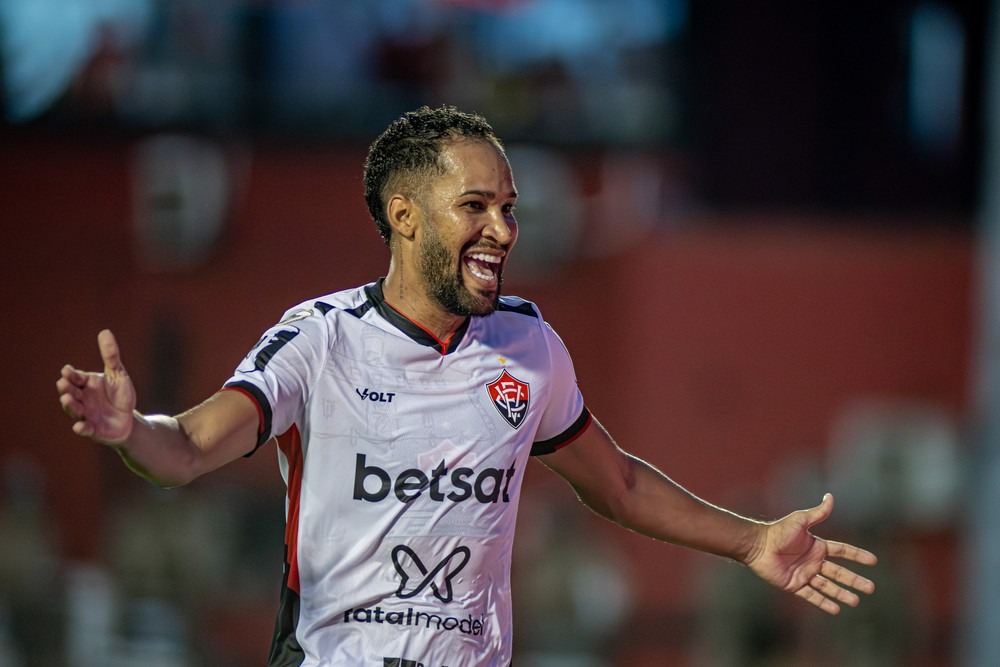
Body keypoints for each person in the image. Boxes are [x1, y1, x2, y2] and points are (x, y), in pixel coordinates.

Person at [57, 105, 877, 667]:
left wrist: (752, 540)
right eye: (476, 206)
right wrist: (136, 430)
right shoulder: (322, 338)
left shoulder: (530, 347)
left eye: (509, 208)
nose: (503, 230)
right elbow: (192, 446)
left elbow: (619, 483)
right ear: (404, 213)